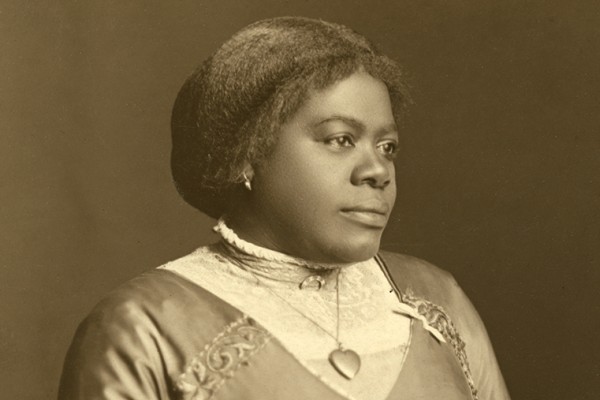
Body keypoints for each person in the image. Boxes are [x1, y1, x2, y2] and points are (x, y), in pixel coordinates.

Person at [58, 17, 510, 400]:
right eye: (340, 140)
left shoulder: (439, 299)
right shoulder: (144, 325)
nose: (377, 170)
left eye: (387, 147)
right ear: (246, 154)